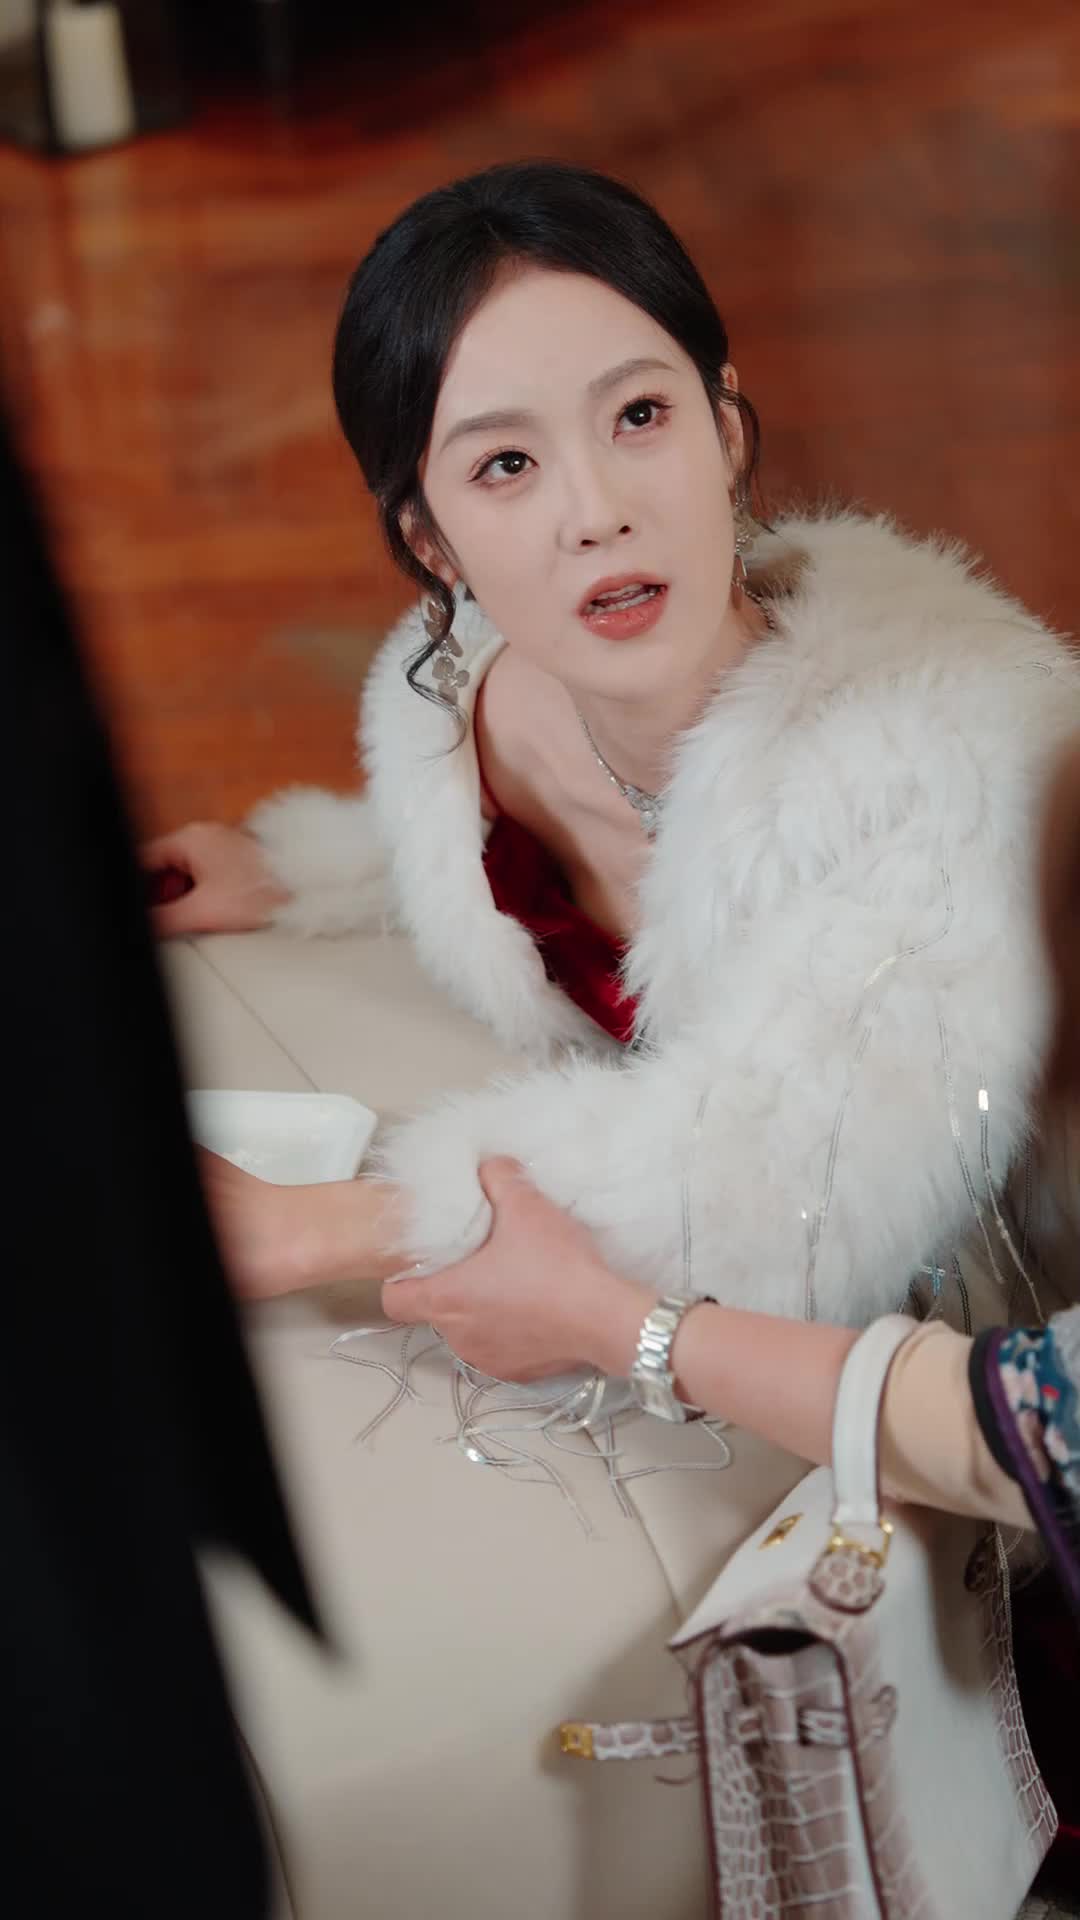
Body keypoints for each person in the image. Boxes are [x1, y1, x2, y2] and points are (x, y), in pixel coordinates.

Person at [146, 159, 1080, 1344]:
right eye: (506, 464)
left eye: (639, 416)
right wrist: (307, 868)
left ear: (725, 431)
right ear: (431, 541)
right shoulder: (470, 726)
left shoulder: (953, 762)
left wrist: (326, 1223)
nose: (596, 511)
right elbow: (524, 838)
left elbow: (780, 1199)